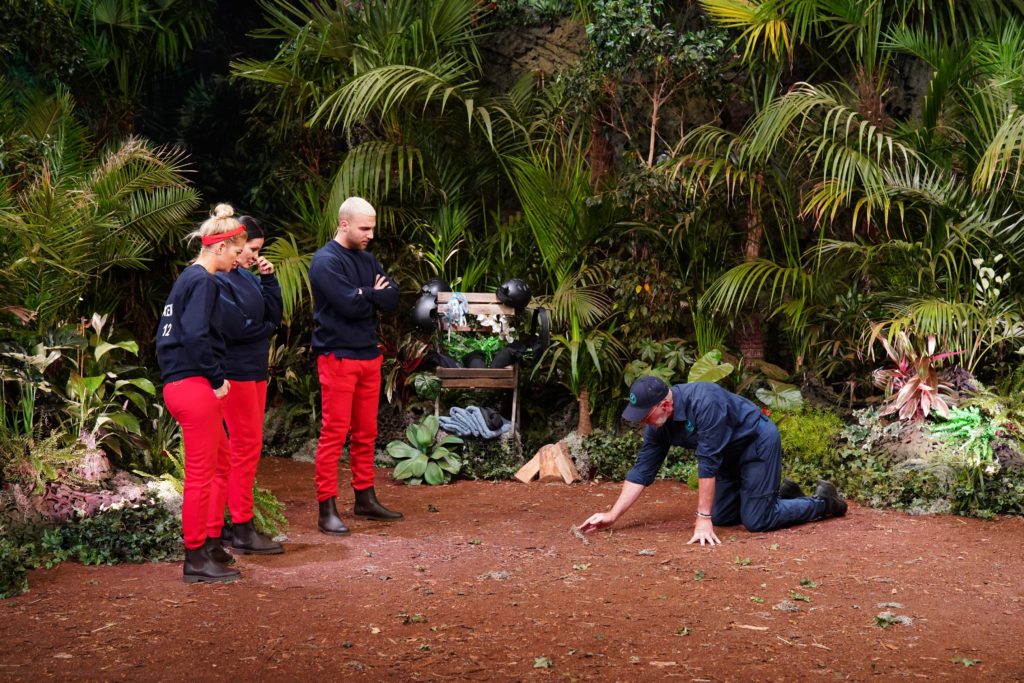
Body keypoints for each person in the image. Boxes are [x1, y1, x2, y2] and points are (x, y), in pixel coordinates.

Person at [579, 376, 847, 545]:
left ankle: (824, 502)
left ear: (666, 405)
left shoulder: (705, 401)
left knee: (756, 521)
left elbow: (707, 463)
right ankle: (778, 496)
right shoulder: (659, 426)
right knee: (723, 517)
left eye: (645, 414)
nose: (642, 421)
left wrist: (701, 518)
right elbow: (642, 470)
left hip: (756, 443)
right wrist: (612, 515)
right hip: (728, 457)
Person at [156, 204, 246, 583]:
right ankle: (194, 557)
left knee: (221, 464)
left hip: (182, 383)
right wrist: (215, 378)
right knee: (199, 474)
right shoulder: (205, 281)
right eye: (237, 251)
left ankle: (210, 541)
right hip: (191, 384)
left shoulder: (187, 278)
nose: (240, 259)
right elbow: (194, 335)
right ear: (221, 246)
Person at [309, 196, 401, 535]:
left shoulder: (368, 258)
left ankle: (365, 497)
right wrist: (368, 294)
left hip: (368, 356)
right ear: (344, 223)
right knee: (334, 432)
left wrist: (367, 294)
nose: (370, 235)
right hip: (337, 356)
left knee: (366, 432)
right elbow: (348, 305)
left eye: (372, 228)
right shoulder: (325, 261)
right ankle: (327, 508)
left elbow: (392, 297)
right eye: (365, 228)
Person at [207, 215, 284, 556]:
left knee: (248, 447)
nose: (254, 256)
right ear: (233, 246)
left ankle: (233, 523)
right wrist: (262, 326)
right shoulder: (218, 281)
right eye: (250, 249)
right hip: (234, 371)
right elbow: (236, 328)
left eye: (257, 250)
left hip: (255, 370)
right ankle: (240, 526)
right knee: (242, 447)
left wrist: (268, 280)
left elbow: (273, 318)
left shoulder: (248, 278)